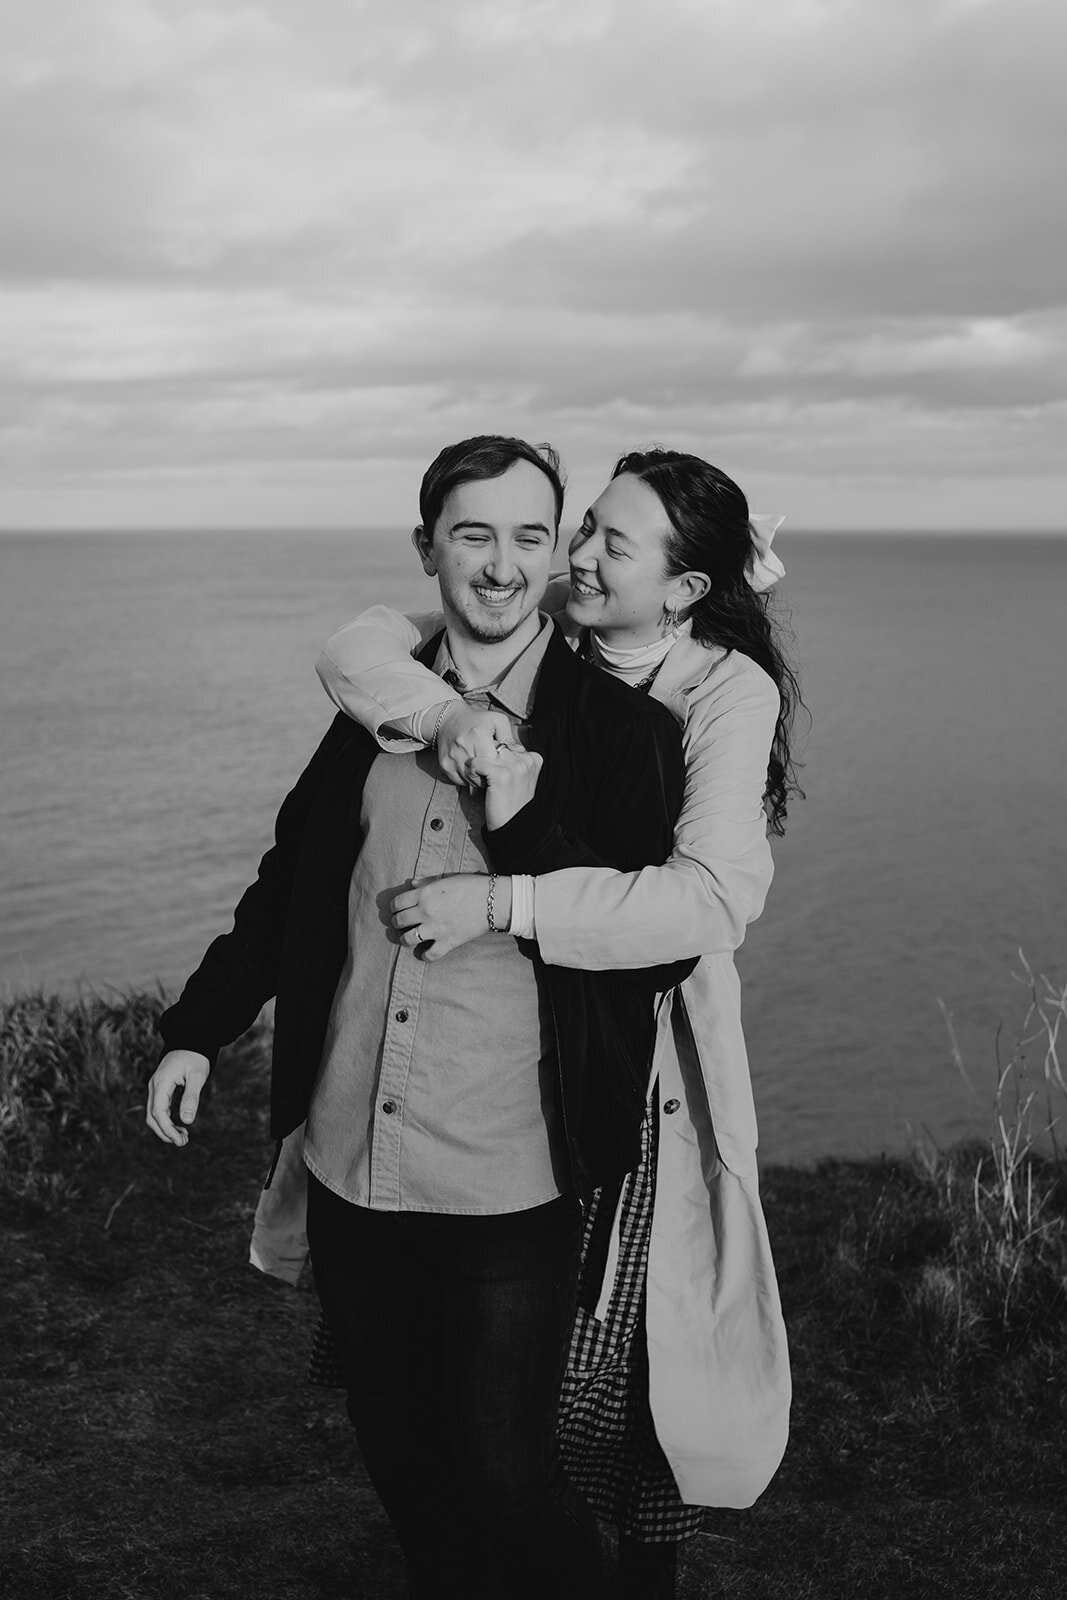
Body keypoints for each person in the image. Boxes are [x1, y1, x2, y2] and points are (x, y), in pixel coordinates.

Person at [144, 435, 693, 1600]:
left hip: (509, 1177)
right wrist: (198, 1026)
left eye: (530, 537)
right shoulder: (369, 712)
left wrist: (513, 843)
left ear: (556, 554)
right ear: (427, 547)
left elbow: (654, 938)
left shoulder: (623, 734)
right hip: (350, 1161)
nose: (501, 566)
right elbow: (292, 882)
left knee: (505, 1481)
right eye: (473, 534)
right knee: (399, 1458)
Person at [311, 447, 801, 1599]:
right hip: (500, 1049)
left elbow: (711, 899)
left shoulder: (724, 687)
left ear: (681, 591)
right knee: (478, 1389)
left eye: (605, 545)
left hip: (637, 1042)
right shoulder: (559, 641)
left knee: (619, 1378)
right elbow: (357, 648)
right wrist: (453, 720)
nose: (569, 557)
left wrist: (499, 899)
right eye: (578, 529)